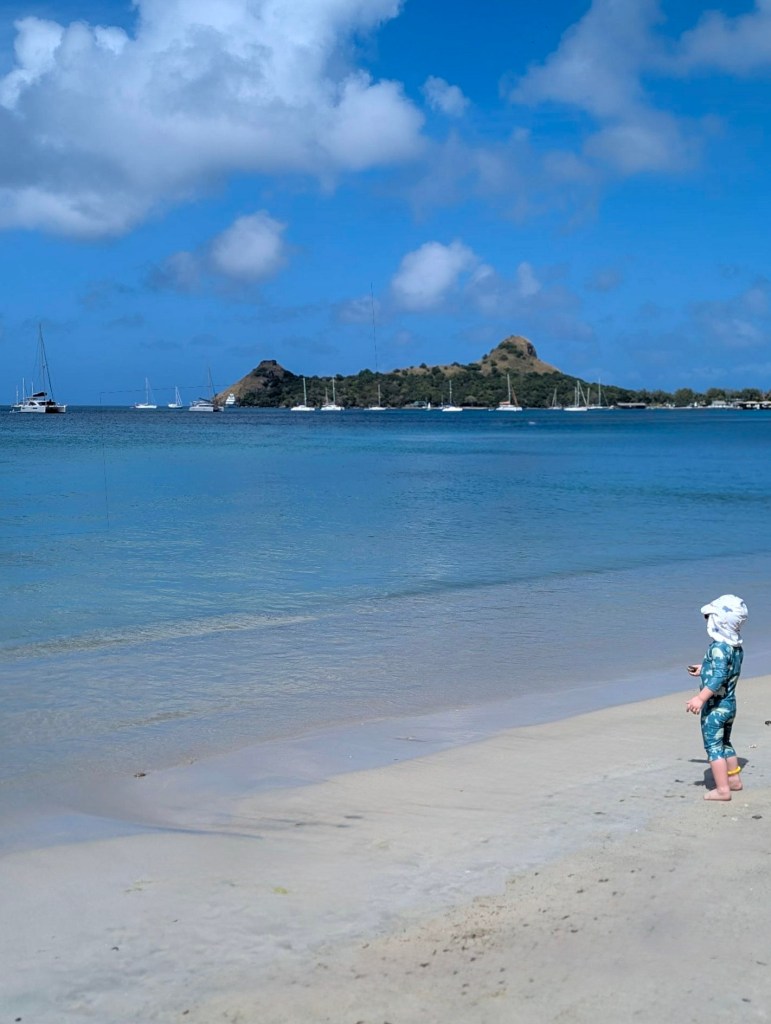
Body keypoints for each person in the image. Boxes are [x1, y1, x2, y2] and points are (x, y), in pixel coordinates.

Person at [686, 594, 748, 801]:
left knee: (713, 747)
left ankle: (722, 790)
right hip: (730, 705)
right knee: (725, 743)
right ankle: (734, 780)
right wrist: (704, 669)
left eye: (708, 617)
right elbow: (725, 670)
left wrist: (700, 698)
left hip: (715, 707)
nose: (706, 621)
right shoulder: (735, 648)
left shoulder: (718, 647)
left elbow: (720, 676)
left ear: (718, 622)